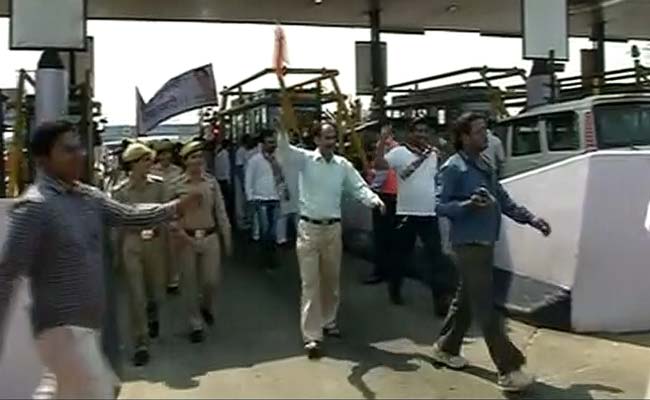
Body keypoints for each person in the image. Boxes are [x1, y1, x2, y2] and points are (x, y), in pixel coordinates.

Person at [0, 120, 201, 399]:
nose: (79, 154)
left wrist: (174, 207)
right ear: (43, 160)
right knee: (101, 391)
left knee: (72, 388)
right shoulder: (35, 207)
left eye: (79, 147)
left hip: (86, 326)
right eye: (68, 149)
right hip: (61, 328)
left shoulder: (88, 196)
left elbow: (129, 216)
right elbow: (7, 273)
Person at [433, 112, 551, 393]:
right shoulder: (454, 168)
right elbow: (440, 205)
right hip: (468, 245)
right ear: (464, 137)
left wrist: (531, 219)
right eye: (478, 132)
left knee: (466, 300)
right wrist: (468, 205)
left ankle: (446, 347)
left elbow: (504, 200)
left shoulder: (484, 164)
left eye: (484, 130)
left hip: (486, 243)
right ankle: (508, 369)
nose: (485, 136)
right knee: (486, 306)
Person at [277, 122, 385, 359]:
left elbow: (358, 187)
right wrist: (282, 132)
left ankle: (329, 320)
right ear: (316, 140)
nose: (330, 142)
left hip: (333, 230)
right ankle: (312, 336)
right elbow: (284, 152)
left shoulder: (342, 165)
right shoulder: (305, 160)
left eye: (333, 138)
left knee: (331, 280)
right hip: (308, 229)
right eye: (326, 138)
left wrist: (374, 200)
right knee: (310, 284)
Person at [375, 118, 454, 315]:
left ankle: (440, 302)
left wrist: (447, 145)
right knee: (401, 256)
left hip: (429, 213)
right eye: (417, 131)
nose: (421, 135)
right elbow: (380, 165)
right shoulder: (400, 152)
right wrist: (382, 142)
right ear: (410, 133)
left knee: (436, 258)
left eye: (425, 131)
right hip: (406, 214)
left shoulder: (433, 153)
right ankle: (395, 289)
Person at [170, 139, 232, 343]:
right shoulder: (177, 185)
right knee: (189, 282)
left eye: (199, 157)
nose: (197, 161)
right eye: (193, 157)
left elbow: (220, 211)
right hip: (186, 237)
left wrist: (227, 235)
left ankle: (206, 305)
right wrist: (179, 235)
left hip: (210, 236)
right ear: (185, 161)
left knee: (210, 280)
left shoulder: (211, 182)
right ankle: (195, 323)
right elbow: (171, 215)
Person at [111, 143, 168, 367]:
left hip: (155, 242)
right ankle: (141, 342)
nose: (149, 164)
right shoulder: (120, 191)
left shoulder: (159, 187)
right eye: (144, 160)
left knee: (156, 291)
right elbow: (116, 224)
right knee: (136, 296)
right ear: (132, 164)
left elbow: (167, 214)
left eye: (149, 160)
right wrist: (115, 253)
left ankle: (153, 312)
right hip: (132, 244)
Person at [245, 129, 289, 270]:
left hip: (276, 199)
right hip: (260, 199)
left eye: (274, 142)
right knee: (265, 231)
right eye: (270, 142)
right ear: (262, 143)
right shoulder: (255, 160)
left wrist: (284, 193)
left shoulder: (278, 159)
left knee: (273, 231)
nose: (273, 145)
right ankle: (267, 258)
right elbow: (248, 179)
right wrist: (250, 198)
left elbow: (283, 177)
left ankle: (271, 257)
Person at [365, 135, 399, 285]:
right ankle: (383, 271)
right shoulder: (389, 149)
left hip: (393, 198)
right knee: (382, 237)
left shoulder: (393, 150)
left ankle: (385, 272)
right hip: (384, 198)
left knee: (387, 238)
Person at [152, 139, 184, 293]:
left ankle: (173, 279)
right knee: (157, 249)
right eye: (162, 154)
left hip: (173, 214)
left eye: (168, 153)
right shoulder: (151, 171)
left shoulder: (178, 172)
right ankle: (159, 278)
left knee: (173, 249)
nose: (165, 157)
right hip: (156, 215)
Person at [213, 136, 234, 223]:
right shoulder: (225, 154)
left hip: (219, 179)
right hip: (225, 180)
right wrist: (229, 180)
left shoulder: (218, 154)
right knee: (228, 200)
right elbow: (227, 167)